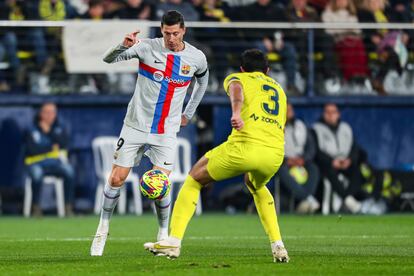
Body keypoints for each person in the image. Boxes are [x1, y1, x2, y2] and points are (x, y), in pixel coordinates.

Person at [144, 49, 289, 263]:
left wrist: (237, 113)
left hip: (245, 147)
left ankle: (173, 242)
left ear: (241, 69)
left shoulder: (237, 78)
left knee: (194, 178)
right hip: (275, 154)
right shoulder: (279, 89)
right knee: (256, 185)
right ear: (267, 70)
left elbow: (237, 91)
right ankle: (278, 246)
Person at [90, 10, 209, 256]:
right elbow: (107, 60)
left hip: (166, 131)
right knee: (116, 179)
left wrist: (189, 112)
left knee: (160, 185)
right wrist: (122, 46)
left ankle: (163, 234)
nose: (171, 38)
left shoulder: (196, 57)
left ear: (183, 30)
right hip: (135, 125)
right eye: (167, 33)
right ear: (161, 30)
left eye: (175, 33)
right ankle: (102, 229)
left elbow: (202, 82)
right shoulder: (146, 47)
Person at [24, 102, 75, 216]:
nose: (50, 115)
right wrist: (50, 147)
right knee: (36, 175)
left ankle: (68, 207)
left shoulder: (59, 128)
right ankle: (36, 207)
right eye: (47, 112)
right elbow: (31, 150)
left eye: (52, 112)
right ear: (41, 114)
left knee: (69, 171)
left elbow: (64, 144)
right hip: (36, 164)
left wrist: (49, 132)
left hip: (54, 164)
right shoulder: (31, 129)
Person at [312, 103, 362, 213]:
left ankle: (347, 198)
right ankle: (348, 200)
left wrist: (349, 160)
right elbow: (316, 152)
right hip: (328, 163)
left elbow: (355, 149)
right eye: (327, 112)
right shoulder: (316, 129)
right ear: (323, 114)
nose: (330, 115)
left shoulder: (346, 128)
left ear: (338, 114)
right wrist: (331, 161)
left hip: (345, 162)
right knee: (328, 172)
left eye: (333, 112)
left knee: (357, 172)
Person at [279, 103, 320, 214]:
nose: (289, 112)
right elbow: (270, 149)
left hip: (302, 161)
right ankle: (306, 199)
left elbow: (311, 147)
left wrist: (303, 159)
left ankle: (304, 200)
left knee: (314, 168)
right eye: (286, 110)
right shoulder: (274, 127)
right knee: (281, 170)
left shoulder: (300, 125)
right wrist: (286, 160)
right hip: (283, 162)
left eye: (290, 109)